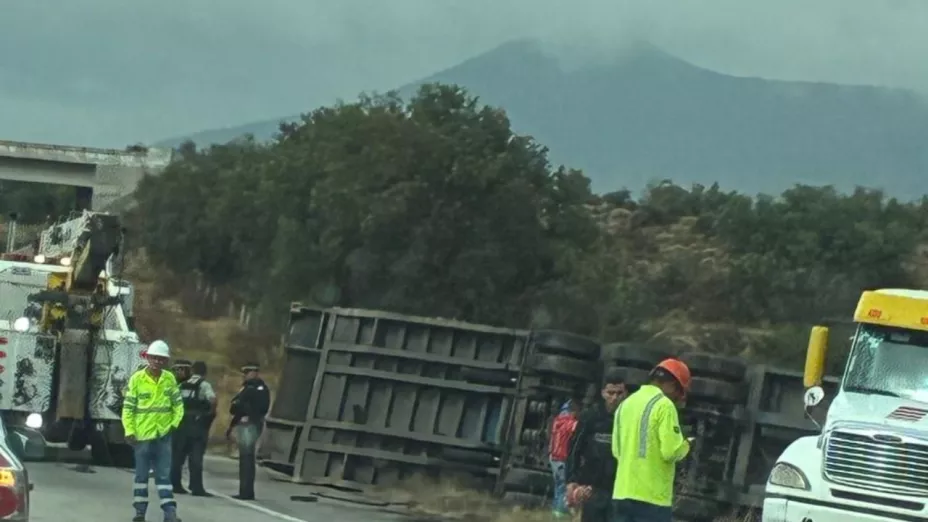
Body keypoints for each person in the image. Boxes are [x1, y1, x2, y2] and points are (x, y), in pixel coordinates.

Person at [611, 359, 692, 522]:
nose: (677, 398)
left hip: (621, 492)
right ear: (671, 384)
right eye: (679, 391)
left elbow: (616, 450)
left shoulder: (625, 404)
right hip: (652, 499)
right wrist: (688, 444)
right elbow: (671, 452)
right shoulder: (664, 405)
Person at [122, 340, 185, 522]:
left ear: (165, 361)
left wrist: (173, 424)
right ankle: (140, 513)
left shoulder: (169, 379)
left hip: (163, 435)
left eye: (161, 359)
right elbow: (128, 408)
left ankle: (169, 513)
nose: (158, 362)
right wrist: (129, 430)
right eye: (155, 358)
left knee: (164, 476)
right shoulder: (137, 379)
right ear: (148, 358)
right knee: (141, 476)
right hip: (142, 436)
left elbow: (178, 406)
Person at [566, 369, 629, 522]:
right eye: (610, 393)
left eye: (619, 393)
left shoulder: (629, 419)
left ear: (625, 394)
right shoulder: (590, 416)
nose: (614, 398)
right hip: (593, 487)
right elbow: (574, 448)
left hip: (620, 489)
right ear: (603, 393)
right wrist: (571, 480)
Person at [171, 360, 217, 496]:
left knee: (178, 457)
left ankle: (175, 485)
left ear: (192, 371)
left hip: (181, 424)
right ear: (205, 373)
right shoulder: (204, 385)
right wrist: (210, 414)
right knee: (196, 456)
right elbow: (213, 400)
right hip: (197, 425)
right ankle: (196, 487)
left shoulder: (182, 385)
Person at [226, 362, 271, 500]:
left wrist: (246, 411)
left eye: (247, 373)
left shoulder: (259, 388)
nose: (244, 376)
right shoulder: (246, 388)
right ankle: (244, 490)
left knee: (247, 458)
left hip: (250, 424)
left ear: (254, 372)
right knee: (245, 458)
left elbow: (261, 407)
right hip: (244, 423)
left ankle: (246, 492)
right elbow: (233, 406)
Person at [549, 399, 580, 517]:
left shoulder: (557, 421)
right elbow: (577, 429)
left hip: (554, 458)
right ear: (572, 411)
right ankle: (560, 515)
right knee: (563, 489)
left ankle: (555, 514)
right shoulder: (570, 422)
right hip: (563, 458)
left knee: (558, 488)